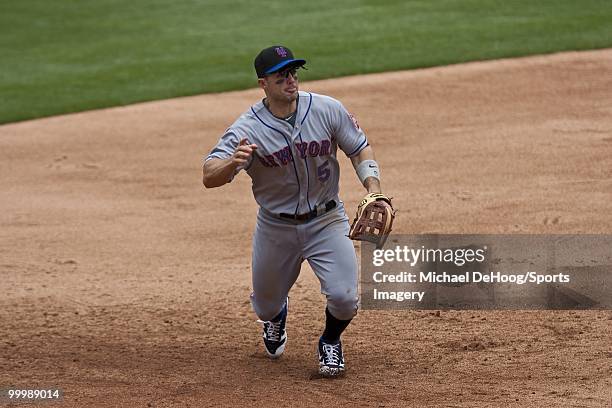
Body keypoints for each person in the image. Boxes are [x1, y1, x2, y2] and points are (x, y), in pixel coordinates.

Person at [202, 45, 385, 377]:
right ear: (263, 84)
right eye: (281, 75)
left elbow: (358, 148)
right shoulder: (247, 128)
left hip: (327, 220)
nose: (290, 80)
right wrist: (233, 162)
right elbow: (209, 174)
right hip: (276, 227)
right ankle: (275, 316)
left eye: (293, 73)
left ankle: (330, 341)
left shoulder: (327, 109)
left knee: (345, 298)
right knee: (266, 304)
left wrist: (374, 188)